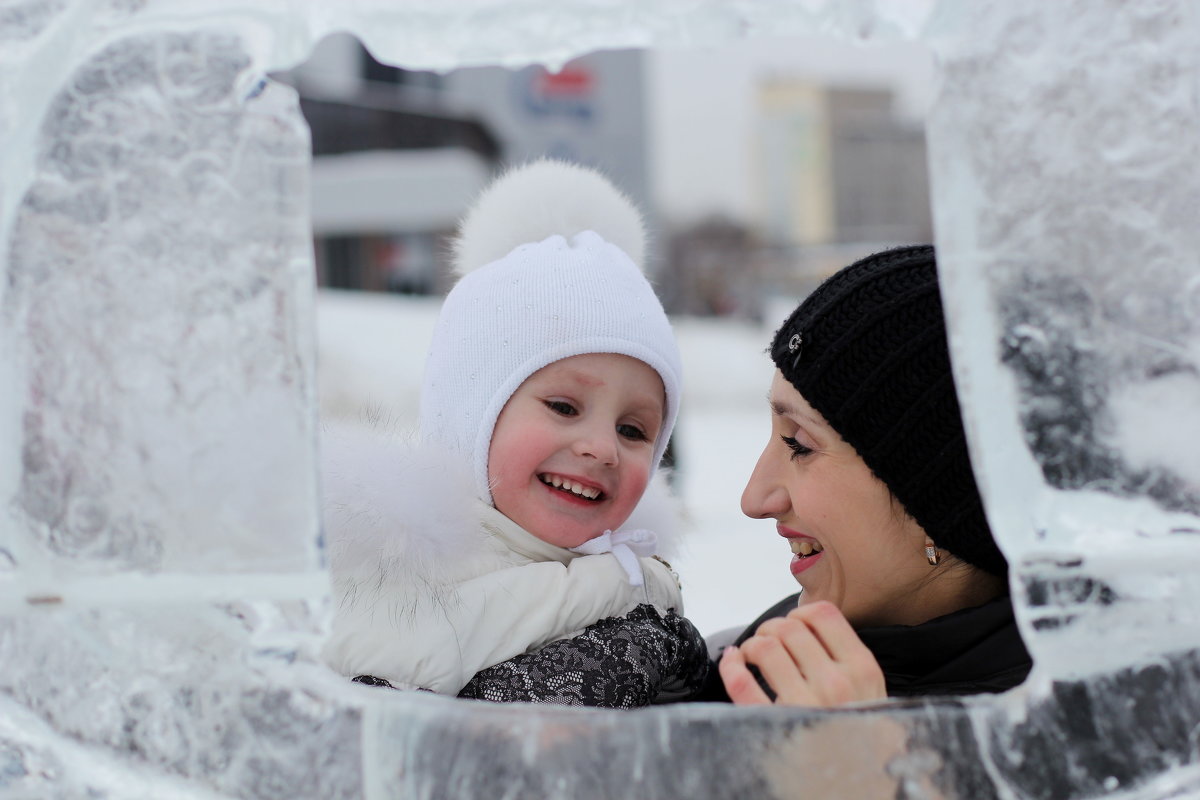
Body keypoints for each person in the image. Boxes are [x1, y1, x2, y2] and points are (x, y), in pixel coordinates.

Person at [320, 160, 708, 707]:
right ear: (471, 412)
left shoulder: (625, 585)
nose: (602, 448)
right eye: (563, 406)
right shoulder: (391, 571)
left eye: (633, 429)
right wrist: (621, 595)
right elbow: (430, 654)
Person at [707, 244, 1032, 705]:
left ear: (938, 504)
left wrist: (856, 768)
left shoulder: (1076, 754)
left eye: (799, 443)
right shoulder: (735, 664)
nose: (754, 498)